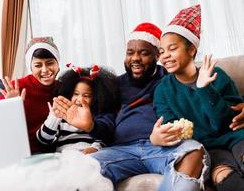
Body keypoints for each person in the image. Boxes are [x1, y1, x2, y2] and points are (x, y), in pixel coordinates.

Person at [52, 22, 210, 190]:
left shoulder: (171, 78)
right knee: (83, 168)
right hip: (122, 150)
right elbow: (107, 124)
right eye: (130, 53)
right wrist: (91, 125)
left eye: (143, 53)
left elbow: (197, 102)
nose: (135, 58)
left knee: (194, 153)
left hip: (164, 148)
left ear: (157, 55)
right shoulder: (114, 85)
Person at [154, 4, 244, 191]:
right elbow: (177, 131)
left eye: (172, 48)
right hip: (208, 148)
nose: (165, 56)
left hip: (236, 137)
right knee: (222, 176)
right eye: (162, 51)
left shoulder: (217, 75)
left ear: (192, 49)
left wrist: (204, 88)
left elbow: (229, 121)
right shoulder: (162, 90)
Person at [0, 37, 60, 154]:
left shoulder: (64, 87)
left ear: (58, 64)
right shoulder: (15, 88)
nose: (45, 70)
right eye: (38, 65)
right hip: (22, 153)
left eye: (50, 63)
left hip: (55, 153)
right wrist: (10, 107)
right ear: (30, 67)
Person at [36, 64, 119, 154]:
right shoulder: (62, 118)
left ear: (97, 97)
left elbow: (105, 138)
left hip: (89, 158)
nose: (79, 99)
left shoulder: (97, 118)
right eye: (76, 94)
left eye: (86, 96)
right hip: (64, 159)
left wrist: (95, 148)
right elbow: (43, 140)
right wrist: (54, 117)